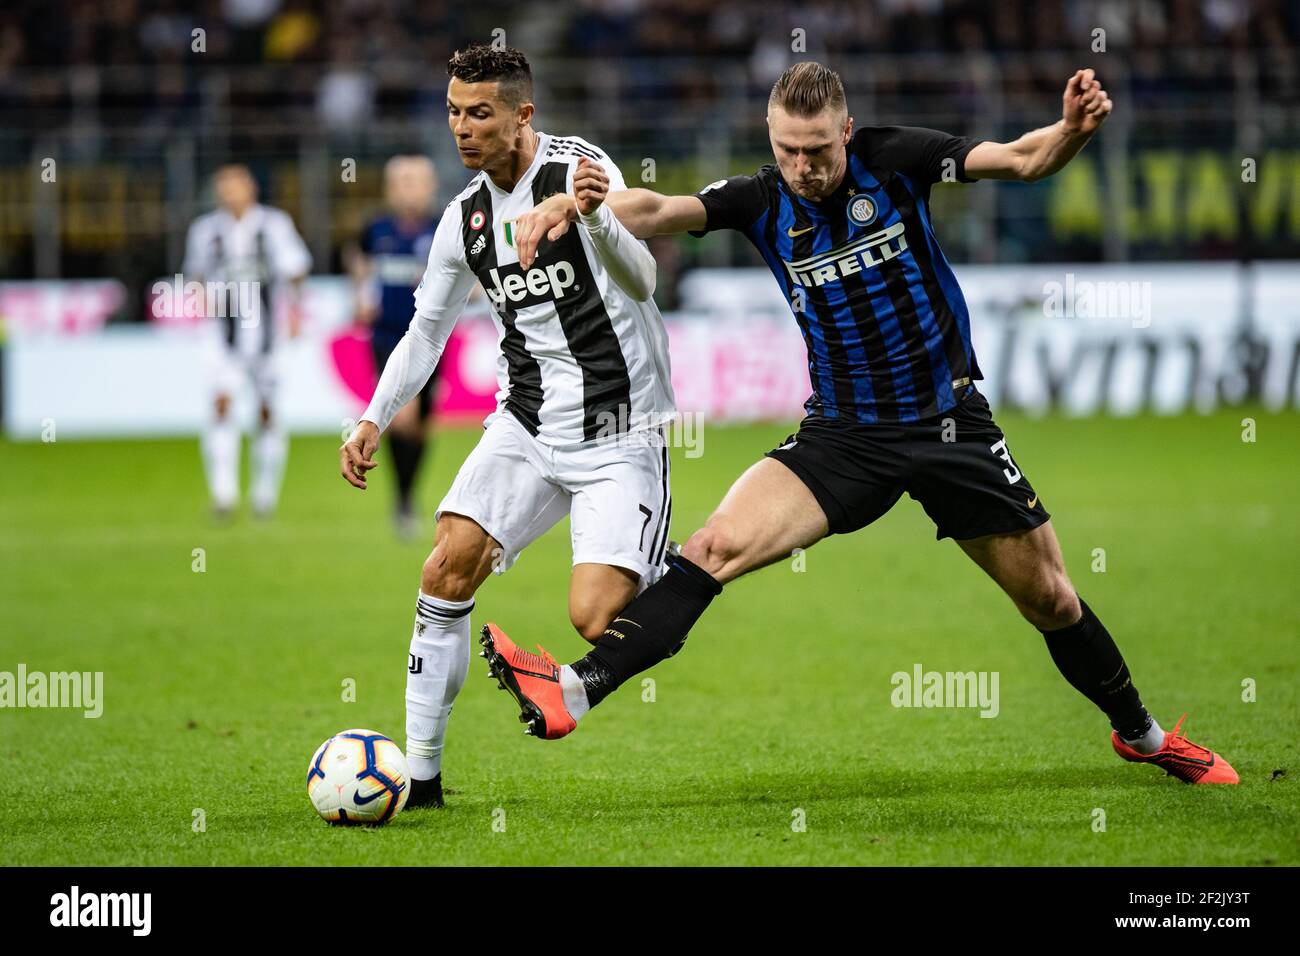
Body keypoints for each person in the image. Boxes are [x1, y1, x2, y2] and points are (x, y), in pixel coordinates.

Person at [481, 62, 1238, 785]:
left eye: (817, 150)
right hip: (843, 437)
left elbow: (1022, 160)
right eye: (787, 150)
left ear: (847, 131)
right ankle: (572, 692)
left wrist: (1071, 128)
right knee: (714, 546)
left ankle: (1142, 736)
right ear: (771, 138)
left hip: (949, 425)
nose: (803, 167)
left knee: (1052, 600)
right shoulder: (761, 197)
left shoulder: (898, 159)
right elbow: (655, 210)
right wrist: (569, 204)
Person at [337, 44, 679, 810]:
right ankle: (420, 781)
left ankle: (678, 568)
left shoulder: (581, 170)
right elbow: (426, 332)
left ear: (523, 115)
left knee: (595, 617)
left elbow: (645, 278)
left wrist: (594, 221)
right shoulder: (464, 218)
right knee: (444, 568)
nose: (462, 128)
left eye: (479, 113)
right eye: (454, 112)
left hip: (619, 426)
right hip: (525, 423)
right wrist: (372, 417)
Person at [183, 164, 310, 519]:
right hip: (222, 336)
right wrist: (200, 299)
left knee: (267, 412)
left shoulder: (274, 225)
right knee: (221, 406)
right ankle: (223, 495)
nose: (229, 193)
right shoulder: (205, 230)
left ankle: (264, 496)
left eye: (235, 185)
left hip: (268, 335)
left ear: (251, 188)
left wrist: (297, 310)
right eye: (223, 186)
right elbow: (195, 274)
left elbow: (296, 268)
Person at [349, 155, 443, 538]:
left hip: (434, 338)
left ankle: (406, 494)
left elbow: (470, 275)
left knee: (419, 425)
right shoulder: (376, 229)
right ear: (390, 188)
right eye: (402, 181)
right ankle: (403, 501)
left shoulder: (442, 230)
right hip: (388, 337)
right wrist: (359, 294)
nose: (409, 189)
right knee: (401, 416)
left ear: (430, 186)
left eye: (416, 181)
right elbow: (356, 259)